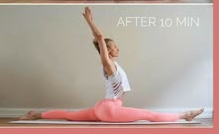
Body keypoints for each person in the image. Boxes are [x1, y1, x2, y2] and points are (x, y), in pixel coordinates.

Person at [19, 7, 204, 123]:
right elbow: (99, 38)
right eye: (114, 46)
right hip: (110, 109)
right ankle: (184, 115)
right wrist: (90, 22)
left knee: (70, 115)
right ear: (107, 51)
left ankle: (34, 115)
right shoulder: (108, 65)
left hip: (102, 107)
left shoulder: (112, 66)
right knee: (149, 115)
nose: (117, 48)